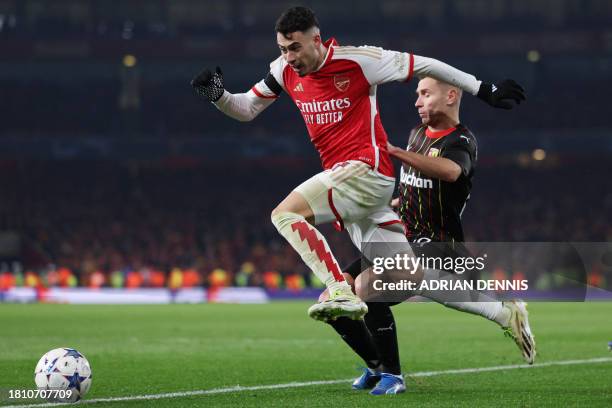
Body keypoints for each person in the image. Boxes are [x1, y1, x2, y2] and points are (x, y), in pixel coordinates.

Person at [191, 7, 525, 328]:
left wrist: (483, 89)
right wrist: (218, 96)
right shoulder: (282, 70)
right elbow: (247, 108)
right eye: (283, 48)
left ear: (316, 39)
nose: (290, 57)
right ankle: (502, 313)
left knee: (284, 214)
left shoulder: (360, 61)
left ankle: (338, 289)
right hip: (346, 178)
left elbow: (426, 63)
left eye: (295, 47)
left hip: (367, 169)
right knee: (409, 273)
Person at [322, 76, 535, 395]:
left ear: (451, 96)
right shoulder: (417, 135)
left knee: (368, 287)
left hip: (436, 243)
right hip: (400, 235)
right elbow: (409, 191)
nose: (417, 101)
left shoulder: (462, 141)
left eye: (425, 94)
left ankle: (393, 376)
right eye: (417, 94)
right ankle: (376, 366)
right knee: (333, 297)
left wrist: (395, 152)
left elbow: (451, 171)